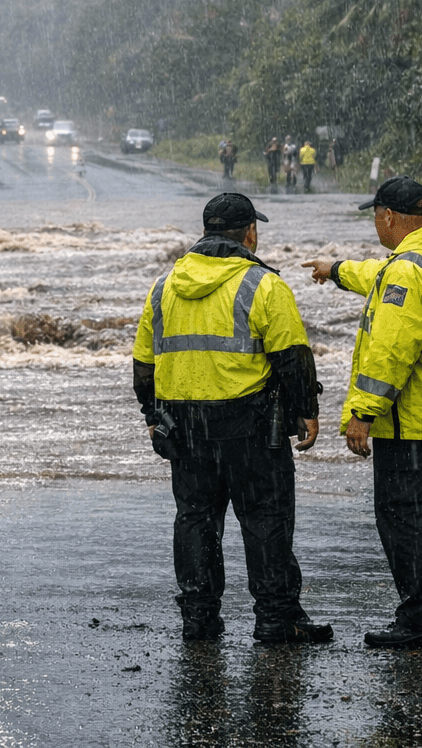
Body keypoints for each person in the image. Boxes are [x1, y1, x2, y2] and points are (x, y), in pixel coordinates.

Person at [299, 177, 422, 647]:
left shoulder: (408, 270)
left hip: (416, 425)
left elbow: (391, 350)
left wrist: (362, 412)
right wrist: (337, 269)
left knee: (407, 518)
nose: (375, 223)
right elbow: (382, 276)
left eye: (375, 215)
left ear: (388, 217)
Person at [133, 193, 333, 644]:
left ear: (205, 233)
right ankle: (276, 621)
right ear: (250, 234)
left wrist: (152, 414)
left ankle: (199, 619)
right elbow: (293, 357)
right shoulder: (263, 285)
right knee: (266, 520)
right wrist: (306, 410)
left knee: (195, 520)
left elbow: (144, 363)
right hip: (251, 428)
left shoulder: (164, 286)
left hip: (184, 429)